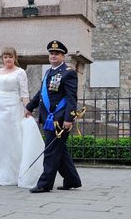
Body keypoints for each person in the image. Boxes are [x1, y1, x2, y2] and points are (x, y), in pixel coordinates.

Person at [0, 47, 44, 187]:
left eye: (10, 57)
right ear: (2, 58)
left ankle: (13, 172)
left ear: (15, 58)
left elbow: (24, 93)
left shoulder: (20, 72)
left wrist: (27, 109)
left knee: (11, 140)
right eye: (5, 57)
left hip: (12, 110)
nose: (7, 59)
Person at [25, 40, 82, 193]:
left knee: (51, 151)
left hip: (60, 119)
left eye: (57, 54)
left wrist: (69, 118)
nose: (53, 56)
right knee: (59, 150)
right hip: (49, 118)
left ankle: (44, 184)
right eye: (51, 53)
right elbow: (42, 94)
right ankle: (72, 180)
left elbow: (71, 98)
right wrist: (30, 107)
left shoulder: (68, 72)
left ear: (63, 56)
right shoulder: (49, 71)